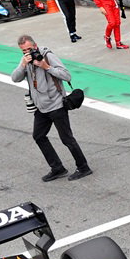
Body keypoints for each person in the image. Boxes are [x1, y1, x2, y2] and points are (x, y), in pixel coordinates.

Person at [11, 34, 91, 182]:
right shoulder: (26, 60)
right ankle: (57, 168)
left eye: (30, 49)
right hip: (40, 108)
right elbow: (15, 78)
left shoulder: (47, 56)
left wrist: (46, 67)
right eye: (24, 51)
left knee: (67, 139)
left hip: (56, 105)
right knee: (39, 136)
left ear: (35, 46)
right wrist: (22, 64)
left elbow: (66, 76)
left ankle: (84, 167)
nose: (28, 53)